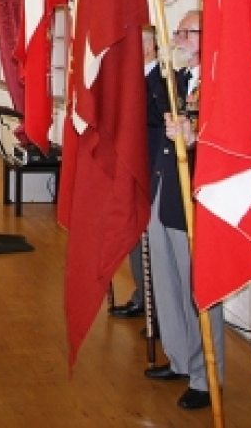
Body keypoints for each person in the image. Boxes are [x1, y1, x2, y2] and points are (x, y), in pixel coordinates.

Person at [144, 11, 225, 410]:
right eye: (177, 32)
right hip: (165, 189)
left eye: (186, 32)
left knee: (199, 287)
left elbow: (225, 141)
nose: (178, 38)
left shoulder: (220, 81)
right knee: (167, 281)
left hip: (195, 195)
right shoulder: (177, 80)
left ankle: (207, 375)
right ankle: (179, 357)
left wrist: (194, 141)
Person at [112, 27, 160, 320]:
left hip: (153, 166)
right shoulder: (127, 80)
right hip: (130, 166)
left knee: (154, 239)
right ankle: (143, 294)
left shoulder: (163, 80)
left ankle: (158, 305)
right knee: (134, 235)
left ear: (150, 45)